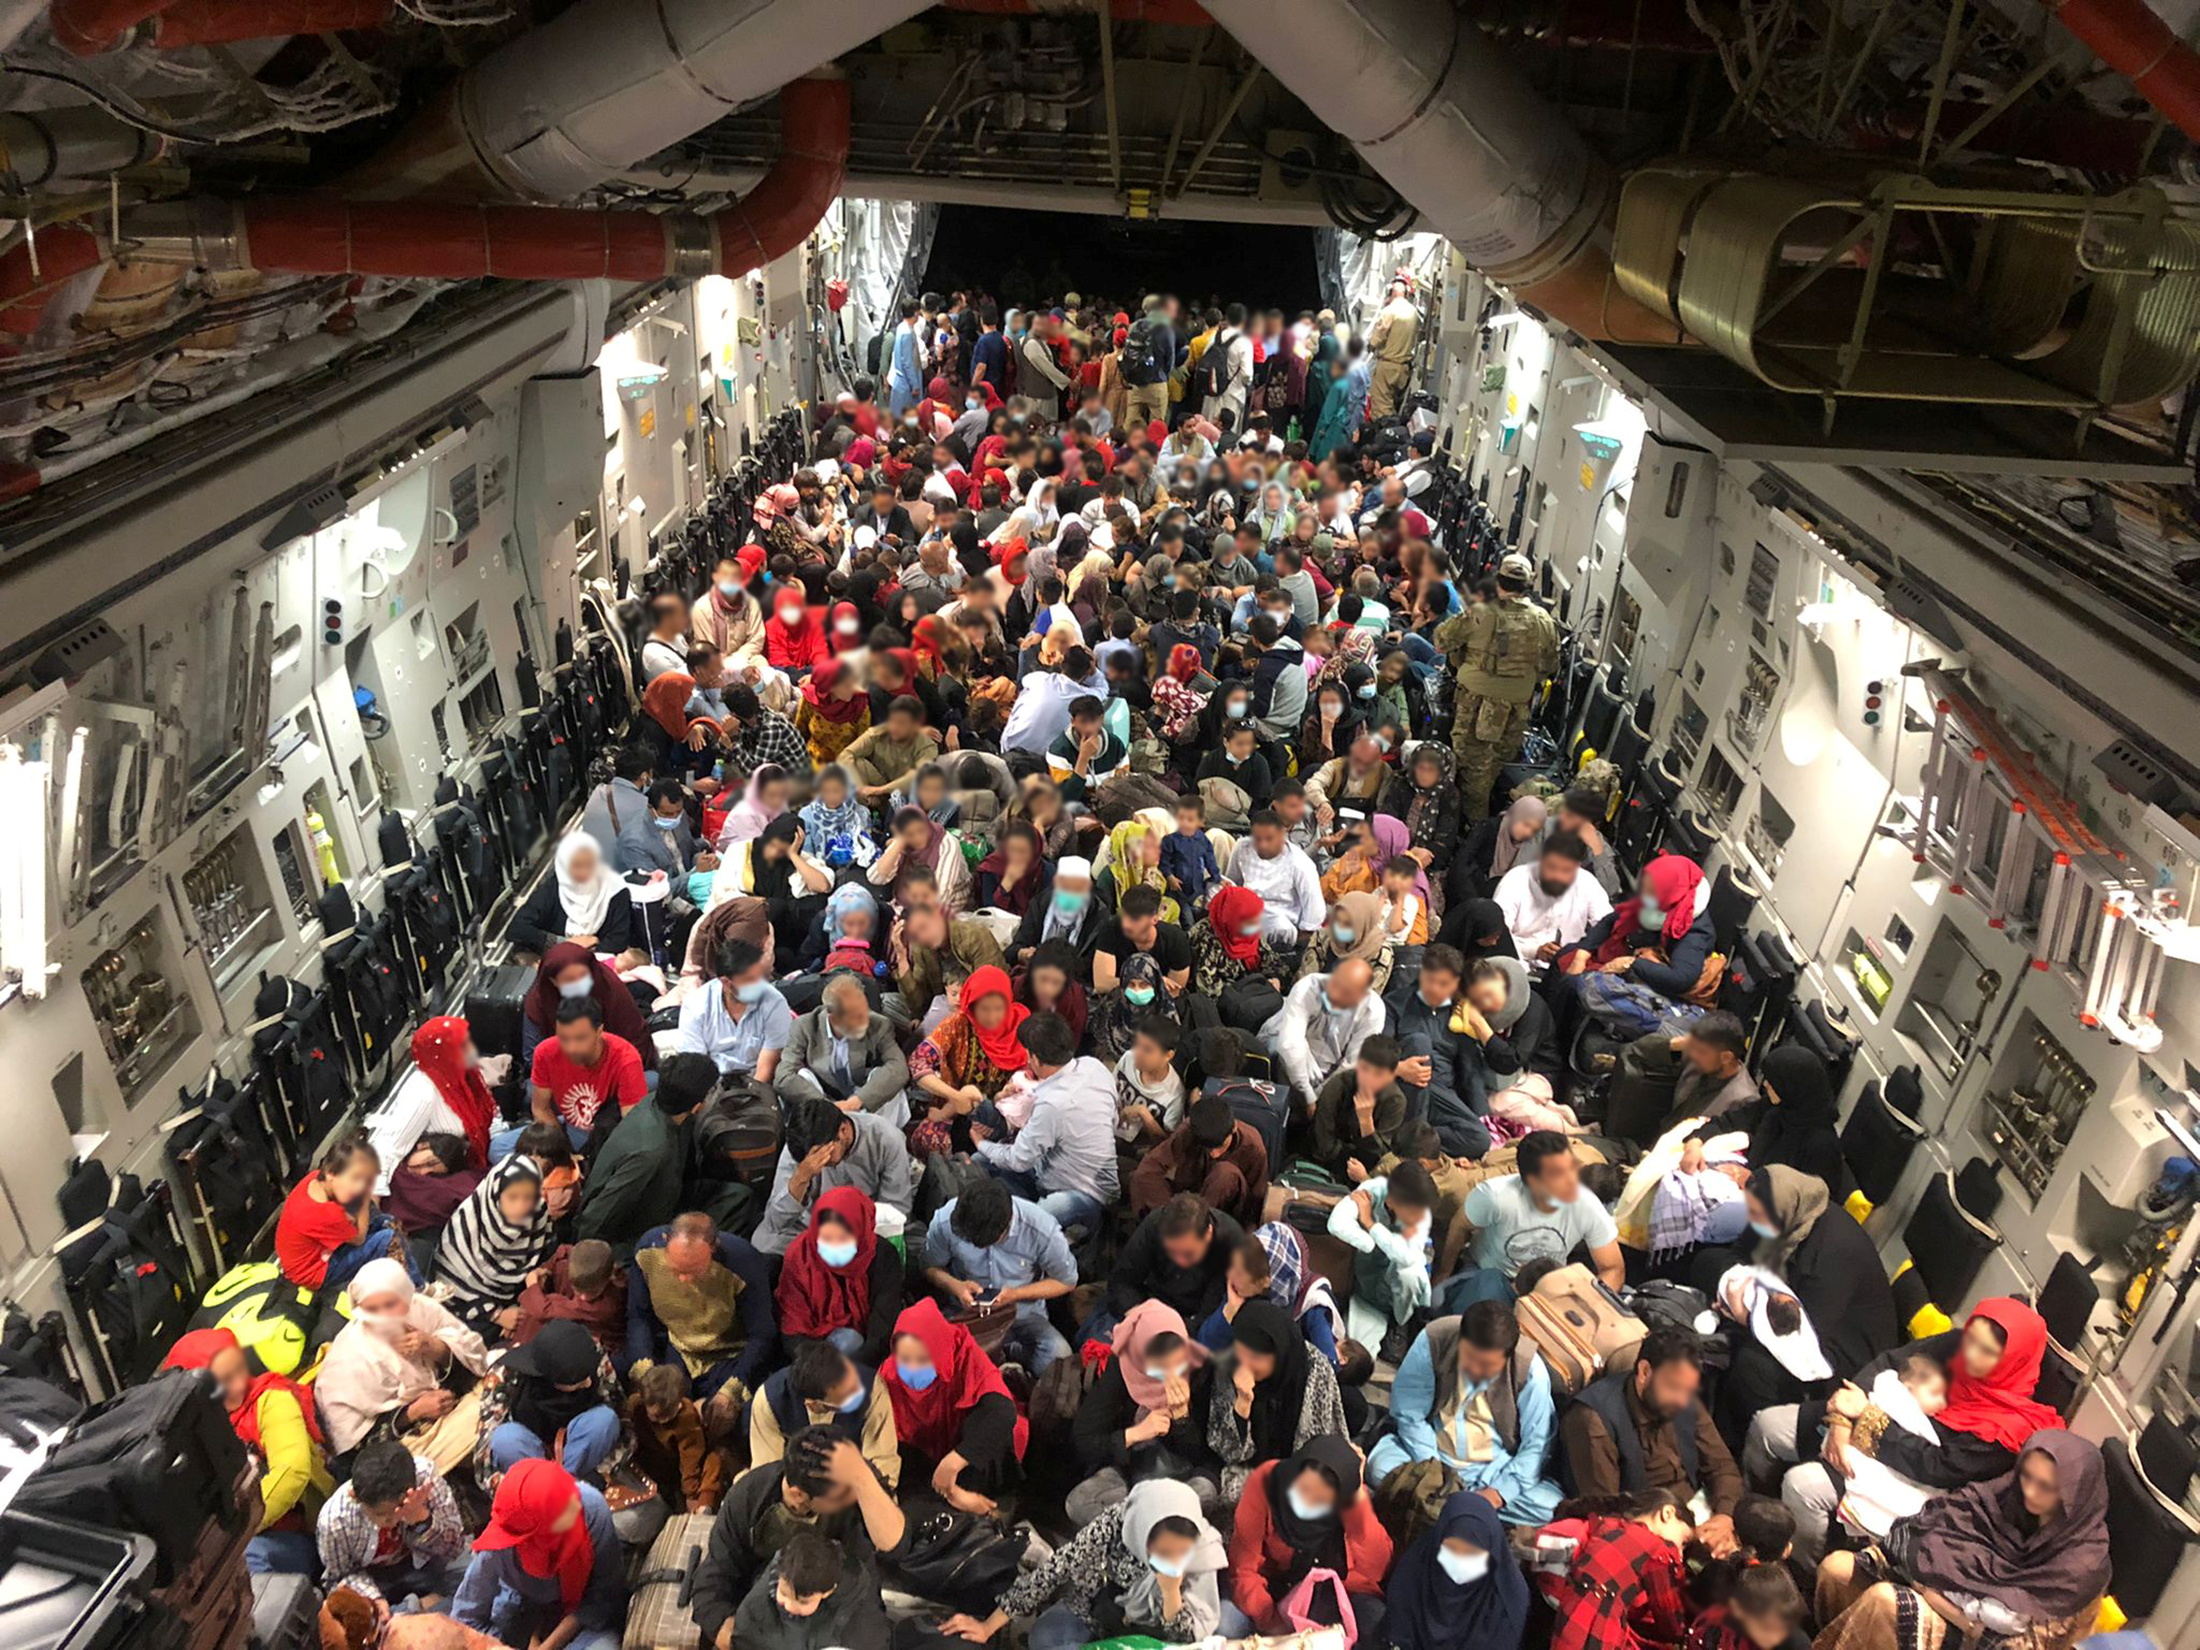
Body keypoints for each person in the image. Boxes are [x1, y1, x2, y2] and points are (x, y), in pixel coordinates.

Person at [1750, 1298, 2063, 1569]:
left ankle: (1798, 1574)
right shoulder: (1957, 1345)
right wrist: (1841, 1421)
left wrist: (1864, 1418)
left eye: (1986, 1351)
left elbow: (1937, 1466)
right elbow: (1889, 1362)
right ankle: (1748, 1525)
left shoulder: (2008, 1429)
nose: (1970, 1353)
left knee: (1803, 1487)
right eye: (1971, 1338)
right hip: (1868, 1418)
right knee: (1768, 1425)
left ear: (2012, 1360)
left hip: (1905, 1476)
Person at [1814, 1430, 2109, 1650]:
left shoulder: (2081, 1568)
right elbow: (1936, 1524)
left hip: (1974, 1636)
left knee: (1885, 1603)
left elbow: (2022, 1646)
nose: (2030, 1492)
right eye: (2026, 1477)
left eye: (2046, 1486)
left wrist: (1937, 1601)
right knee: (1837, 1569)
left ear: (2072, 1495)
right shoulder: (2006, 1496)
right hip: (1941, 1589)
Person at [1708, 1166, 1900, 1430]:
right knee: (1708, 1262)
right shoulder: (1779, 1211)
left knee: (1752, 1365)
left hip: (1836, 1353)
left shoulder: (1834, 1253)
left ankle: (1733, 1439)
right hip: (1784, 1306)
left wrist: (1746, 1318)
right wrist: (1728, 1288)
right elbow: (1740, 1252)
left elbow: (1804, 1335)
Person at [690, 1429, 911, 1650]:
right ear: (798, 1494)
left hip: (846, 1593)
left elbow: (895, 1546)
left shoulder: (852, 1483)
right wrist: (738, 1638)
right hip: (769, 1599)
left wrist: (863, 1477)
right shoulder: (749, 1495)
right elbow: (713, 1581)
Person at [946, 1478, 1227, 1649]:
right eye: (1161, 1549)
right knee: (1045, 1637)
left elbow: (1186, 1637)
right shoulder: (1120, 1521)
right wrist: (988, 1626)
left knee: (1230, 1625)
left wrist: (1170, 1593)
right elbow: (1058, 1568)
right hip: (1100, 1607)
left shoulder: (1202, 1549)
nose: (1170, 1560)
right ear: (1142, 1530)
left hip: (1156, 1632)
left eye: (1180, 1551)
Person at [1369, 1300, 1564, 1523]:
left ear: (1507, 1358)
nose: (1476, 1371)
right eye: (1470, 1359)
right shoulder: (1435, 1339)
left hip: (1491, 1470)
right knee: (1379, 1468)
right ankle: (1468, 1513)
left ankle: (1440, 1507)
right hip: (1432, 1453)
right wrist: (1434, 1471)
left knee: (1550, 1508)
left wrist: (1499, 1493)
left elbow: (1537, 1445)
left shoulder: (1531, 1372)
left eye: (1488, 1366)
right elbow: (1410, 1414)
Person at [161, 1327, 331, 1574]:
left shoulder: (271, 1400)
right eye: (225, 1380)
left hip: (300, 1531)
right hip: (235, 1533)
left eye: (238, 1370)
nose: (239, 1383)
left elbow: (293, 1470)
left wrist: (238, 1530)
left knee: (248, 1557)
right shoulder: (192, 1430)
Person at [1563, 1329, 1744, 1554]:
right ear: (1645, 1372)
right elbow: (1606, 1514)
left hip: (1697, 1512)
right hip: (1646, 1527)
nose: (1682, 1400)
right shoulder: (1593, 1420)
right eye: (1674, 1388)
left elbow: (1723, 1467)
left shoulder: (1683, 1397)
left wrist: (1724, 1517)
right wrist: (1682, 1536)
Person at [314, 1257, 490, 1471]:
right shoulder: (346, 1361)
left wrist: (435, 1347)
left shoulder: (423, 1310)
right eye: (372, 1310)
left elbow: (477, 1362)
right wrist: (413, 1412)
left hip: (455, 1404)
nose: (383, 1316)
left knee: (501, 1384)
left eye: (391, 1305)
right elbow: (357, 1452)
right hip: (413, 1442)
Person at [1224, 1435, 1393, 1638]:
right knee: (1228, 1623)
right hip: (1277, 1590)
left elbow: (1377, 1569)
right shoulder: (1267, 1483)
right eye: (1303, 1489)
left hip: (1338, 1589)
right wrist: (1277, 1626)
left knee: (1377, 1624)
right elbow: (1243, 1570)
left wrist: (1357, 1502)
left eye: (1320, 1500)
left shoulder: (1350, 1500)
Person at [1436, 552, 1560, 820]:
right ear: (1527, 585)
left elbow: (1441, 641)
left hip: (1475, 704)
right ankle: (1487, 821)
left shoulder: (1480, 613)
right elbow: (1550, 666)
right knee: (1493, 767)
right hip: (1517, 709)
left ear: (1498, 581)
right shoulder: (1543, 620)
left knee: (1472, 772)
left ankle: (1474, 827)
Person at [452, 1459, 625, 1650]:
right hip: (524, 1613)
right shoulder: (500, 1545)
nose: (574, 1509)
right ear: (531, 1535)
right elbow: (465, 1619)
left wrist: (548, 1645)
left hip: (583, 1619)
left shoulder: (588, 1509)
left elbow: (603, 1595)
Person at [974, 1011, 1119, 1237]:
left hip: (1087, 1193)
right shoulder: (1095, 1067)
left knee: (1030, 1221)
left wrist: (980, 1142)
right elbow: (1113, 1117)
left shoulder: (1053, 1104)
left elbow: (1019, 1160)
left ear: (1036, 1059)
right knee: (980, 1162)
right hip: (1052, 1171)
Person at [880, 1299, 1028, 1510]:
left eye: (922, 1360)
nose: (912, 1368)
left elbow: (1001, 1411)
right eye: (904, 1359)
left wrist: (954, 1462)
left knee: (988, 1426)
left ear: (938, 1350)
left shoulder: (963, 1355)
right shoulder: (888, 1376)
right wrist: (952, 1493)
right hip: (921, 1457)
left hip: (967, 1452)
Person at [922, 1177, 1077, 1373]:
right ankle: (1002, 1363)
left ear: (1006, 1228)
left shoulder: (1040, 1228)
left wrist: (1016, 1295)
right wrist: (955, 1286)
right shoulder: (946, 1220)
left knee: (1059, 1356)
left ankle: (1011, 1357)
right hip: (965, 1314)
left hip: (1023, 1315)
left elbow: (1067, 1280)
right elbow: (929, 1266)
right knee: (929, 1358)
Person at [1559, 852, 1718, 1040]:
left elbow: (1682, 978)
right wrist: (1583, 953)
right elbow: (1611, 920)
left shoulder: (1693, 933)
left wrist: (1631, 964)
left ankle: (1552, 1049)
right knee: (1568, 954)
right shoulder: (1658, 897)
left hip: (1658, 985)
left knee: (1575, 984)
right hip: (1634, 956)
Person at [1205, 1298, 1349, 1501]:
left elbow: (1324, 1439)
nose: (1246, 1365)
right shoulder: (1229, 1368)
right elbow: (1227, 1453)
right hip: (1249, 1471)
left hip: (1300, 1470)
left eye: (1255, 1357)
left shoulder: (1315, 1368)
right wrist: (1242, 1404)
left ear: (1278, 1353)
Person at [574, 1053, 714, 1258]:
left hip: (663, 1204)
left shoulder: (657, 1103)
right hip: (630, 1240)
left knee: (737, 1196)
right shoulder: (651, 1152)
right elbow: (596, 1218)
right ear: (697, 1106)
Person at [624, 1212, 777, 1400]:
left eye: (694, 1270)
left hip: (729, 1355)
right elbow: (639, 1315)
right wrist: (644, 1367)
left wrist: (732, 1389)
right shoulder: (647, 1252)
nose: (684, 1279)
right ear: (666, 1240)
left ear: (713, 1248)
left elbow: (762, 1334)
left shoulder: (743, 1263)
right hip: (678, 1349)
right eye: (677, 1269)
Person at [471, 1319, 630, 1492]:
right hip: (531, 1452)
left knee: (605, 1419)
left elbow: (624, 1421)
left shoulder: (589, 1351)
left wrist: (602, 1471)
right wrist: (514, 1492)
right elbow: (483, 1458)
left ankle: (567, 1486)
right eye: (577, 1381)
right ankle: (551, 1493)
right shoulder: (504, 1374)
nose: (588, 1383)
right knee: (504, 1439)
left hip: (581, 1445)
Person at [1458, 1129, 1625, 1289]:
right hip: (1490, 1275)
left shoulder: (1586, 1203)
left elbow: (1612, 1268)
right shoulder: (1495, 1196)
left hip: (1547, 1285)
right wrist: (1442, 1273)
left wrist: (1589, 1301)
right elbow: (1459, 1226)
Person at [756, 1097, 918, 1256]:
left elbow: (896, 1208)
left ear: (843, 1131)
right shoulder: (799, 1147)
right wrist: (802, 1177)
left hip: (866, 1226)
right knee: (764, 1241)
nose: (819, 1162)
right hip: (813, 1228)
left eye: (822, 1154)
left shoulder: (885, 1137)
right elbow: (775, 1220)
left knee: (913, 1245)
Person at [316, 1440, 468, 1606]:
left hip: (428, 1563)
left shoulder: (424, 1478)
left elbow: (456, 1547)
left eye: (399, 1508)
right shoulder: (334, 1520)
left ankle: (416, 1610)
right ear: (355, 1496)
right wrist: (375, 1600)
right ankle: (422, 1608)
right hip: (379, 1583)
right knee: (361, 1621)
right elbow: (339, 1577)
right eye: (380, 1514)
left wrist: (421, 1519)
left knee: (476, 1573)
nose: (391, 1521)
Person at [1542, 1490, 1698, 1650]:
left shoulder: (1607, 1526)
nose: (1680, 1552)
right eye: (1684, 1542)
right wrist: (1684, 1633)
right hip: (1599, 1627)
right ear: (1668, 1513)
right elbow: (1669, 1616)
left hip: (1568, 1620)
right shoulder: (1658, 1551)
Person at [1384, 1490, 1531, 1650]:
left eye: (1472, 1553)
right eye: (1452, 1548)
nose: (1461, 1562)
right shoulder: (1414, 1568)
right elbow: (1397, 1632)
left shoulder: (1507, 1602)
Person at [748, 1340, 900, 1490]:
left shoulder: (872, 1388)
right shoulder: (769, 1399)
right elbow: (767, 1472)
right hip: (798, 1492)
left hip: (855, 1486)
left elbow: (883, 1462)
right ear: (813, 1405)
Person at [776, 1186, 901, 1365]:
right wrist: (817, 1367)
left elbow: (882, 1325)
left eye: (842, 1238)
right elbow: (791, 1328)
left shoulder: (882, 1255)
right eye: (826, 1238)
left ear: (860, 1231)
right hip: (811, 1352)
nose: (833, 1246)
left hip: (862, 1353)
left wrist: (851, 1369)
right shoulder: (800, 1255)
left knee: (850, 1341)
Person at [436, 1154, 556, 1336]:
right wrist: (497, 1315)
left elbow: (542, 1262)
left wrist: (523, 1303)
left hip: (519, 1302)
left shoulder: (538, 1215)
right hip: (470, 1310)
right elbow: (449, 1288)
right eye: (513, 1196)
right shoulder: (467, 1225)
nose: (521, 1206)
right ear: (496, 1192)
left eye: (529, 1197)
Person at [276, 1131, 409, 1293]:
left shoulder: (314, 1178)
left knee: (386, 1221)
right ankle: (417, 1287)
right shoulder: (326, 1214)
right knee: (388, 1238)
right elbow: (359, 1238)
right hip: (314, 1273)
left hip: (310, 1253)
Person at [1326, 1160, 1440, 1349]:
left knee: (1409, 1272)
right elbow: (1336, 1224)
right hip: (1368, 1287)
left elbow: (1407, 1258)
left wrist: (1370, 1225)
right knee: (1360, 1353)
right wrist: (1368, 1243)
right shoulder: (1372, 1192)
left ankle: (1401, 1325)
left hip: (1402, 1293)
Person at [778, 974, 910, 1119]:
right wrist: (824, 1104)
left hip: (863, 1099)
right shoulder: (805, 1025)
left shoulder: (879, 1024)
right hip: (821, 1098)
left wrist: (857, 1101)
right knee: (801, 1076)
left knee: (888, 1081)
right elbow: (783, 1076)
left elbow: (899, 1068)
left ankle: (879, 1136)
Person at [733, 1527, 889, 1650]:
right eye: (783, 1593)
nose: (789, 1606)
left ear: (828, 1592)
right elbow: (744, 1640)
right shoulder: (756, 1609)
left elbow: (871, 1636)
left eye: (803, 1602)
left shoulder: (854, 1592)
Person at [1129, 1092, 1269, 1227]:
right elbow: (1153, 1165)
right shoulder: (1190, 1129)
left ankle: (1194, 1228)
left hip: (1226, 1215)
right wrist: (1168, 1212)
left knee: (1224, 1172)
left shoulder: (1252, 1146)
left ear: (1233, 1129)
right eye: (1208, 1149)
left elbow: (1257, 1200)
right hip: (1189, 1199)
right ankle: (1167, 1228)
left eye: (1220, 1146)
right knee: (1140, 1177)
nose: (1214, 1154)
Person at [518, 943, 657, 1076]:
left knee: (651, 1079)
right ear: (552, 981)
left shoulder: (607, 987)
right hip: (562, 1081)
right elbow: (533, 1060)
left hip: (615, 1072)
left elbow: (635, 1039)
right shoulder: (539, 1001)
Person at [1267, 958, 1385, 1114]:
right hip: (1296, 1057)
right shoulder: (1308, 987)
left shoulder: (1373, 1011)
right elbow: (1290, 1045)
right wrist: (1308, 1097)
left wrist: (1321, 1098)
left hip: (1333, 1072)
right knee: (1280, 1051)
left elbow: (1352, 1063)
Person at [675, 938, 793, 1090]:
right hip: (712, 1086)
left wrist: (747, 1100)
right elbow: (696, 1068)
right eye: (750, 980)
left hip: (757, 1084)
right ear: (726, 983)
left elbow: (766, 1069)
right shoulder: (696, 1006)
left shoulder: (774, 1003)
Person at [529, 995, 646, 1148]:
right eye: (564, 1038)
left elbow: (632, 1125)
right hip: (564, 1128)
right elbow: (540, 1108)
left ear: (599, 1031)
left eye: (580, 1039)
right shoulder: (545, 1052)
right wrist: (563, 1153)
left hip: (604, 1134)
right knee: (499, 1147)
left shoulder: (626, 1058)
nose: (571, 1048)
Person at [1497, 831, 1614, 969]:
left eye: (1565, 870)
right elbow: (1498, 936)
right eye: (1551, 868)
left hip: (1569, 966)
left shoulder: (1586, 882)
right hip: (1521, 963)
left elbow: (1607, 926)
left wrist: (1582, 952)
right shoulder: (1516, 879)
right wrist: (1534, 951)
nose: (1557, 876)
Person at [510, 832, 638, 959]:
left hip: (598, 962)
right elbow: (517, 929)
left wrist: (584, 956)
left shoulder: (614, 890)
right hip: (559, 959)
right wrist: (566, 944)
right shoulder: (554, 890)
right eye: (577, 866)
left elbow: (618, 940)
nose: (585, 872)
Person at [1309, 1032, 1408, 1183]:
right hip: (1328, 1164)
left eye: (1378, 1074)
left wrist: (1366, 1121)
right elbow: (1323, 1143)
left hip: (1367, 1171)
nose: (1368, 1079)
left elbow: (1382, 1157)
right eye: (1365, 1069)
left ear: (1391, 1075)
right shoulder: (1339, 1085)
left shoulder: (1395, 1101)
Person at [628, 1363, 724, 1515]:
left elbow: (690, 1459)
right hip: (649, 1463)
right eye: (654, 1416)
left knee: (715, 1459)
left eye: (666, 1415)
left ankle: (704, 1504)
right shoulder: (635, 1406)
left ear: (678, 1404)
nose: (660, 1421)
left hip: (681, 1466)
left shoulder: (686, 1417)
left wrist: (690, 1494)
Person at [511, 1239, 627, 1357]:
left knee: (543, 1307)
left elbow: (544, 1311)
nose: (583, 1298)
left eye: (592, 1292)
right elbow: (552, 1265)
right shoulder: (569, 1258)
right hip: (572, 1317)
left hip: (601, 1341)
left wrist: (532, 1283)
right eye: (578, 1289)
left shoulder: (605, 1305)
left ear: (609, 1278)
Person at [1227, 809, 1327, 940]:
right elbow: (1232, 885)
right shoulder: (1242, 847)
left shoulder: (1301, 863)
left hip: (1281, 928)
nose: (1262, 845)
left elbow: (1313, 920)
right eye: (1257, 839)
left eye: (1269, 839)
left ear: (1282, 835)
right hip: (1245, 914)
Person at [794, 659, 873, 769]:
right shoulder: (811, 700)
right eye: (846, 685)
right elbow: (799, 732)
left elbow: (863, 746)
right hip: (814, 758)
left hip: (846, 763)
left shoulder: (859, 705)